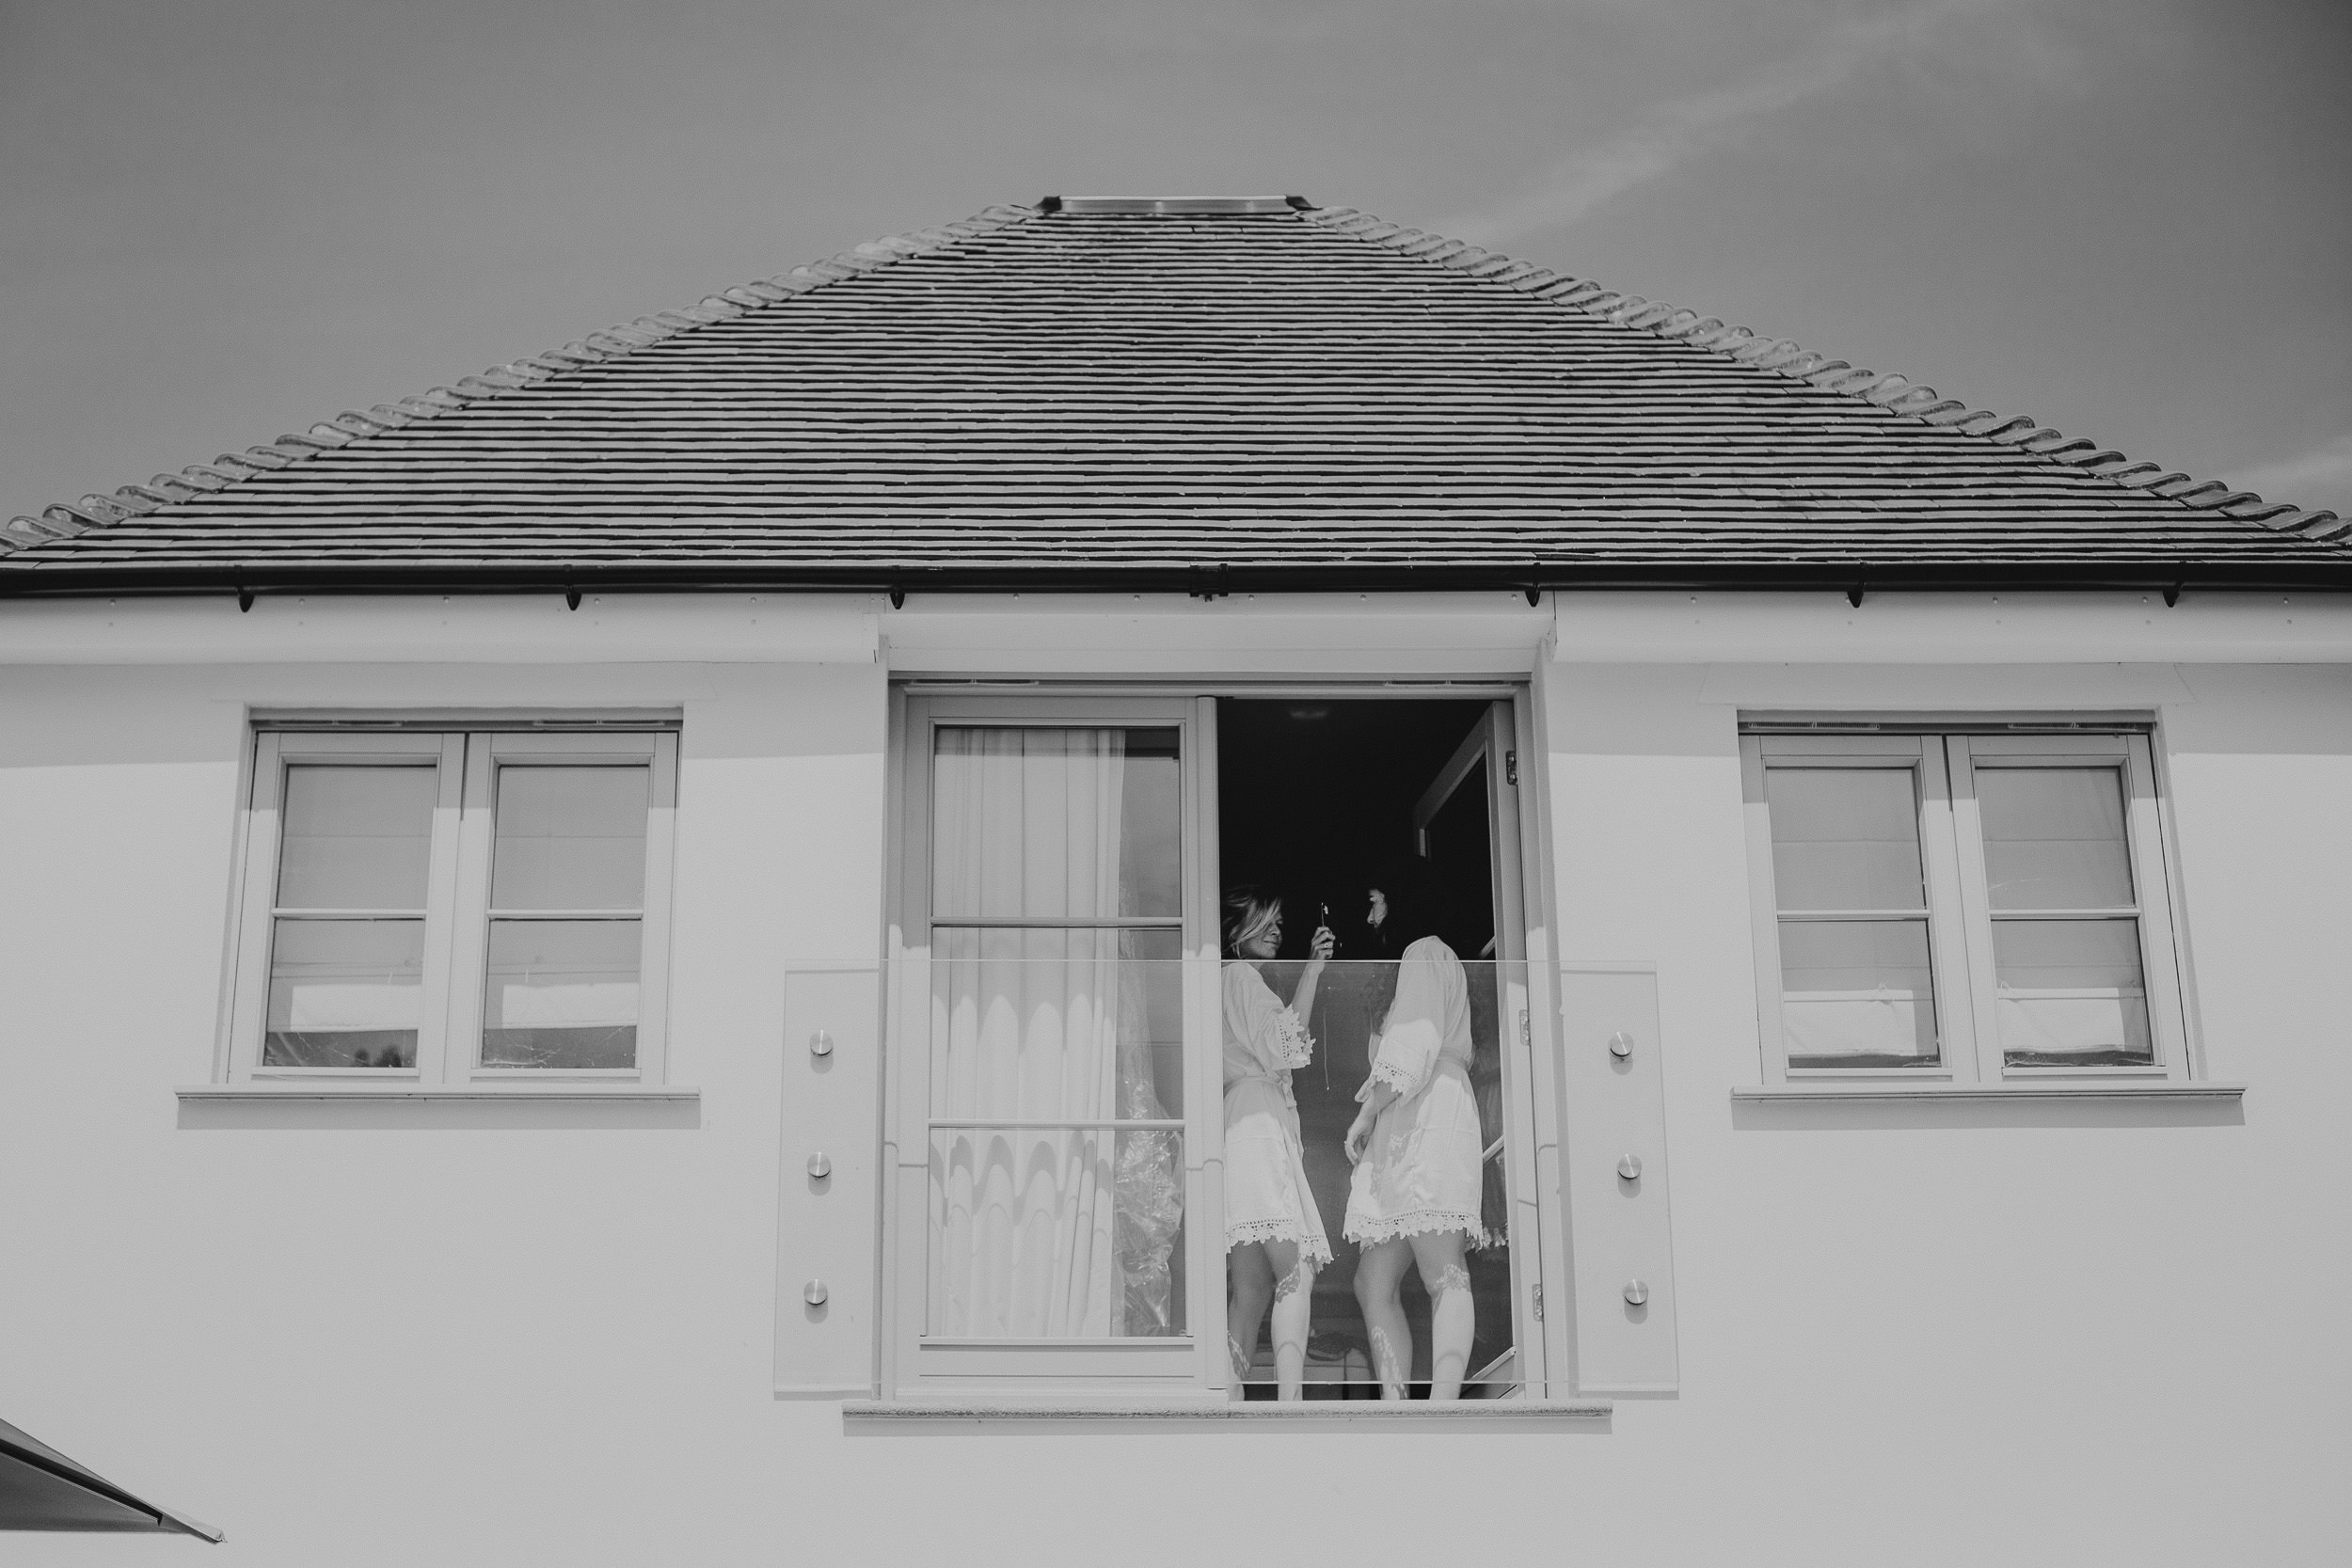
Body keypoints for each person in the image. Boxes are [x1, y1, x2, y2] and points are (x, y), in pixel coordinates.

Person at [1342, 863, 1482, 1400]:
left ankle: (1440, 1410)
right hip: (1411, 1121)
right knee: (1372, 1281)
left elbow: (1413, 1048)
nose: (1371, 914)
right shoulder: (1419, 958)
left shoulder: (1424, 951)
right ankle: (1397, 1408)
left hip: (1428, 1117)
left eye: (1378, 901)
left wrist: (1366, 1111)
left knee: (1441, 1266)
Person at [1222, 886, 1336, 1400]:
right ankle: (1289, 1410)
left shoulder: (1222, 983)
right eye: (1263, 921)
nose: (1276, 930)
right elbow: (1284, 1047)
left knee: (1250, 1289)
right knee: (1296, 1272)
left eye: (1278, 921)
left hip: (1237, 1123)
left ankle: (1229, 1397)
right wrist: (1312, 972)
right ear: (1233, 932)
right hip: (1259, 1125)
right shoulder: (1243, 978)